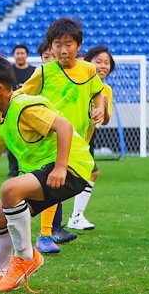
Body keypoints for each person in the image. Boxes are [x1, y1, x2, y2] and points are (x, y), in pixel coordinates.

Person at [0, 53, 94, 292]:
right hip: (45, 170)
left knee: (9, 189)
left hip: (71, 168)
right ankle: (2, 273)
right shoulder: (2, 116)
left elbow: (63, 126)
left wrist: (61, 167)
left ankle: (25, 258)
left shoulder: (24, 106)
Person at [20, 18, 106, 254]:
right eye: (57, 44)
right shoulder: (44, 72)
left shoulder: (88, 70)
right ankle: (44, 235)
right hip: (50, 138)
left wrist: (99, 108)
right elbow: (21, 96)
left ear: (78, 45)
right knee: (53, 184)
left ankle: (23, 221)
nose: (63, 50)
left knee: (61, 185)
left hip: (78, 139)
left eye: (68, 44)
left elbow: (98, 94)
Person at [68, 46, 116, 231]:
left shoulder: (106, 90)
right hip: (67, 139)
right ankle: (54, 226)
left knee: (90, 173)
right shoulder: (78, 83)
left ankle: (73, 218)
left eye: (107, 63)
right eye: (99, 62)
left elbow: (104, 121)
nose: (103, 66)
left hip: (82, 143)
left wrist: (103, 108)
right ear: (88, 63)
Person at [5, 45, 36, 177]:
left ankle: (32, 168)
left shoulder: (34, 71)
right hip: (12, 110)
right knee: (12, 140)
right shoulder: (8, 72)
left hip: (30, 110)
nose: (20, 56)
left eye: (22, 53)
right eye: (17, 53)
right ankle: (13, 170)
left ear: (27, 55)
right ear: (14, 55)